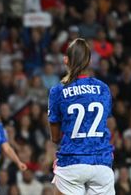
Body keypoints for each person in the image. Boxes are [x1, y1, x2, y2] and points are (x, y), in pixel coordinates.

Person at [48, 38, 115, 195]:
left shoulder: (57, 91)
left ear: (66, 60)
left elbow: (55, 137)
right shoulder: (104, 89)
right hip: (102, 163)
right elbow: (106, 124)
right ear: (89, 61)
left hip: (72, 164)